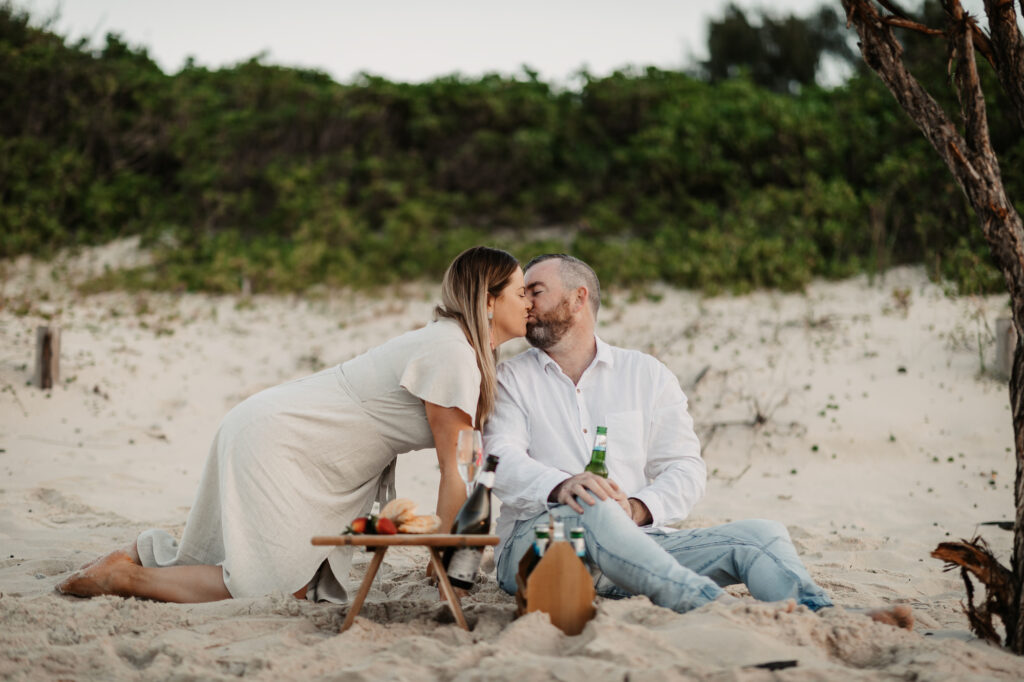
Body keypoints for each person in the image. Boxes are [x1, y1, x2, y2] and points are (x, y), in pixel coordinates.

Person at [57, 245, 532, 604]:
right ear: (487, 301)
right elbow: (454, 470)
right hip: (285, 441)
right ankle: (123, 578)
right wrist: (447, 567)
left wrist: (443, 559)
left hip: (305, 447)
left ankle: (138, 555)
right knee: (263, 586)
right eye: (519, 291)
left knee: (302, 581)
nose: (529, 301)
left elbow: (461, 464)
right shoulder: (452, 352)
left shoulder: (462, 350)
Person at [484, 253, 913, 629]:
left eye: (535, 291)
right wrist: (562, 486)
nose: (526, 304)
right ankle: (720, 609)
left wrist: (636, 509)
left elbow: (685, 468)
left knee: (761, 534)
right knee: (594, 511)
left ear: (578, 299)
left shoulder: (646, 374)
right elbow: (497, 457)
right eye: (521, 294)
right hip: (537, 550)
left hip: (636, 552)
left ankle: (820, 614)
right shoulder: (511, 379)